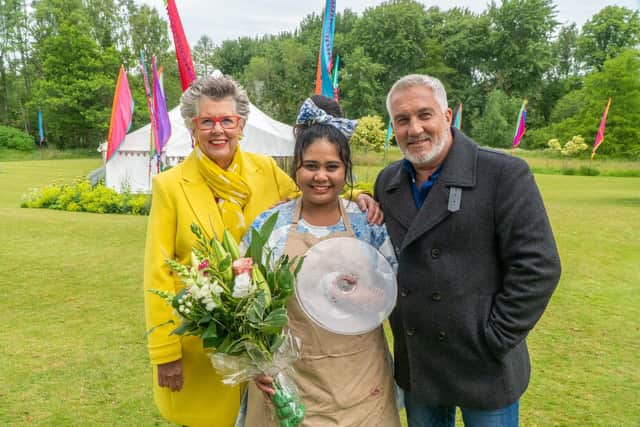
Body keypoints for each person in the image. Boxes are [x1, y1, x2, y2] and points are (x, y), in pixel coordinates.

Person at [143, 75, 381, 426]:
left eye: (227, 120)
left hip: (265, 346)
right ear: (193, 127)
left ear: (241, 125)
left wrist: (356, 196)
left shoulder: (266, 169)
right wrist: (165, 352)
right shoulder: (169, 185)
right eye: (206, 121)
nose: (218, 130)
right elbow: (158, 272)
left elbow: (314, 191)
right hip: (205, 345)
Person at [374, 74, 561, 427]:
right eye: (402, 120)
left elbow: (539, 267)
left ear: (447, 117)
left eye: (424, 115)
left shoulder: (503, 173)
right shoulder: (388, 183)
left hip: (485, 366)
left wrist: (495, 337)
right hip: (420, 364)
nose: (414, 129)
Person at [242, 96, 401, 426]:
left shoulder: (366, 224)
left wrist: (363, 296)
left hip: (361, 383)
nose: (321, 177)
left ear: (346, 170)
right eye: (311, 166)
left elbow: (395, 291)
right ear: (295, 169)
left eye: (332, 167)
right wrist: (257, 363)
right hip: (288, 385)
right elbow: (242, 300)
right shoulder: (269, 226)